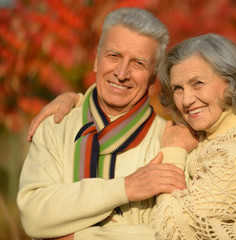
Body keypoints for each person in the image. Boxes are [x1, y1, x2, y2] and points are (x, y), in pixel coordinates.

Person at [28, 33, 236, 239]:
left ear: (231, 82)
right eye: (178, 88)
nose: (187, 100)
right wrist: (76, 100)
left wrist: (80, 238)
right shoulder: (204, 132)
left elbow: (179, 230)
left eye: (198, 83)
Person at [17, 7, 198, 240]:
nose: (122, 73)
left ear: (153, 77)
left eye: (138, 63)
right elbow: (33, 217)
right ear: (96, 60)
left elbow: (173, 233)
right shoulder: (54, 126)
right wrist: (126, 188)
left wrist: (78, 237)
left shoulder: (173, 141)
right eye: (113, 56)